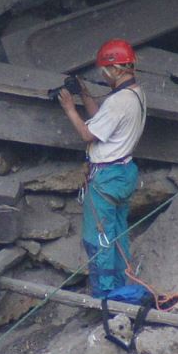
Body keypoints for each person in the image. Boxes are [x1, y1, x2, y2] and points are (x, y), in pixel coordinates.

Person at [56, 38, 146, 299]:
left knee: (99, 239)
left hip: (106, 178)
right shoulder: (135, 94)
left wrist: (69, 108)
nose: (103, 75)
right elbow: (102, 120)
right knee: (118, 233)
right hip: (124, 173)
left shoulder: (119, 102)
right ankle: (123, 287)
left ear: (115, 69)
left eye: (105, 71)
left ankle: (105, 295)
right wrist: (84, 95)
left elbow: (87, 133)